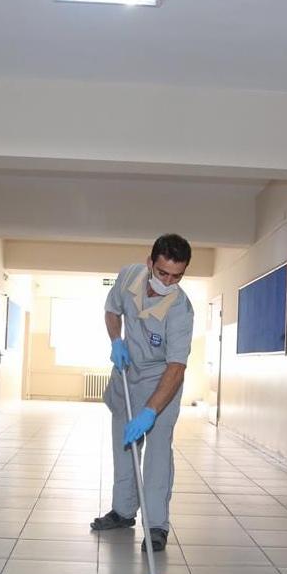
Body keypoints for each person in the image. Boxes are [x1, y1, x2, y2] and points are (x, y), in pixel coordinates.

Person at [91, 234, 194, 553]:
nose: (168, 281)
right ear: (150, 263)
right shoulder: (129, 275)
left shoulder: (180, 309)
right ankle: (123, 512)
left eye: (177, 275)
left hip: (163, 379)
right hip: (126, 372)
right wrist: (115, 341)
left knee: (158, 451)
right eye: (163, 272)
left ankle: (157, 525)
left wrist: (151, 411)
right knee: (125, 446)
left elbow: (177, 367)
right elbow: (112, 310)